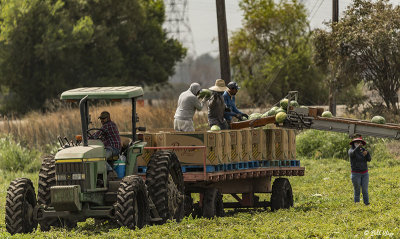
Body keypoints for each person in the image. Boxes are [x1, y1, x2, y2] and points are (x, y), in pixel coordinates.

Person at [348, 137, 371, 205]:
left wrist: (367, 154)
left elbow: (369, 159)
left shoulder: (363, 150)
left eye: (359, 142)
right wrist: (357, 147)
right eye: (357, 142)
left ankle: (366, 203)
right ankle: (357, 204)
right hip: (355, 174)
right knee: (357, 190)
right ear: (354, 144)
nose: (358, 144)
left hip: (365, 173)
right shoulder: (351, 150)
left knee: (365, 190)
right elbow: (352, 154)